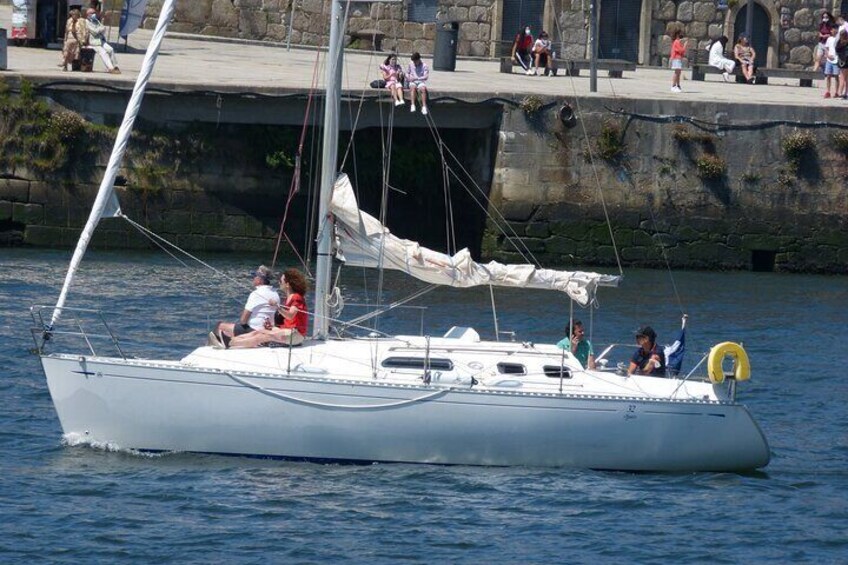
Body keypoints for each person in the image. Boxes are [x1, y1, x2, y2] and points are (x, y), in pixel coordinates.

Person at [229, 268, 309, 348]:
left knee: (264, 337)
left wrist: (277, 307)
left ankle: (230, 343)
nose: (279, 283)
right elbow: (288, 320)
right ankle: (230, 340)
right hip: (288, 331)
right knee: (258, 332)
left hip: (296, 335)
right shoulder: (288, 298)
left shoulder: (297, 298)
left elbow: (291, 315)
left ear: (287, 284)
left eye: (281, 281)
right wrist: (272, 327)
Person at [213, 265, 279, 347]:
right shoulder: (275, 293)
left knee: (219, 326)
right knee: (233, 328)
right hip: (267, 329)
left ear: (260, 280)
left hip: (254, 330)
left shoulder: (255, 294)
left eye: (255, 276)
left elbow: (243, 320)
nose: (253, 278)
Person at [85, 8, 120, 74]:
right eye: (92, 13)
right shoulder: (86, 22)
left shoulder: (96, 21)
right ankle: (110, 68)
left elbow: (104, 28)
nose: (94, 14)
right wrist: (100, 29)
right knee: (104, 52)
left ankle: (115, 66)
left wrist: (100, 29)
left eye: (94, 13)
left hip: (101, 40)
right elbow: (94, 31)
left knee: (111, 49)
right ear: (88, 15)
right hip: (94, 42)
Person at [824, 25, 840, 98]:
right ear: (831, 31)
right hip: (829, 60)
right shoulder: (829, 39)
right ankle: (828, 91)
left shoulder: (839, 39)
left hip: (836, 60)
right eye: (832, 30)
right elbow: (826, 48)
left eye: (835, 29)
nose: (834, 31)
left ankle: (836, 92)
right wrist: (827, 55)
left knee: (836, 76)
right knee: (828, 76)